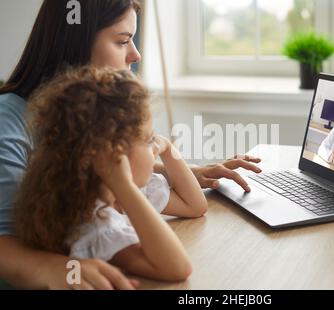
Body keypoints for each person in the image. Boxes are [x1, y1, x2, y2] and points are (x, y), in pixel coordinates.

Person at [0, 0, 261, 289]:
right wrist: (56, 268)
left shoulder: (98, 117)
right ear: (77, 41)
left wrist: (181, 171)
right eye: (123, 41)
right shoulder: (8, 121)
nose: (136, 55)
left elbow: (111, 167)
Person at [15, 66, 206, 287]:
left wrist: (168, 147)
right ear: (115, 156)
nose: (155, 146)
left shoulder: (131, 193)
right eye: (148, 139)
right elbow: (178, 268)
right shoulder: (94, 225)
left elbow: (195, 205)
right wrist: (124, 185)